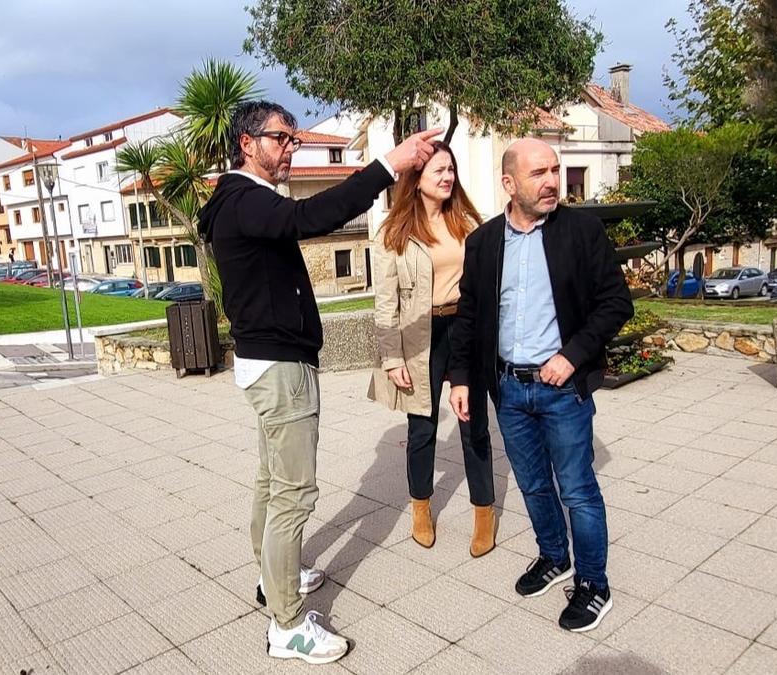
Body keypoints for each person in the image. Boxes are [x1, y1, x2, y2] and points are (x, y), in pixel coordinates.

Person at [198, 100, 440, 665]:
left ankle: (273, 576)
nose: (290, 149)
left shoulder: (236, 202)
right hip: (280, 370)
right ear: (247, 143)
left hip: (271, 363)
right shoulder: (243, 200)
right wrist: (389, 165)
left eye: (293, 139)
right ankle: (285, 626)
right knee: (293, 494)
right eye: (281, 139)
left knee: (272, 480)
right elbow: (311, 219)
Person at [448, 138, 632, 633]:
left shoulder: (582, 231)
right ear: (509, 183)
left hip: (562, 390)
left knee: (576, 489)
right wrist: (461, 377)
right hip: (509, 389)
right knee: (532, 484)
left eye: (555, 170)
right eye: (538, 173)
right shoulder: (483, 243)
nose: (552, 181)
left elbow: (616, 304)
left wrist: (572, 356)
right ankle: (554, 556)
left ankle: (594, 584)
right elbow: (469, 317)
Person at [367, 142, 496, 557]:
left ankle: (483, 512)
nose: (447, 177)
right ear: (415, 179)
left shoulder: (469, 224)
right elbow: (385, 302)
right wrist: (391, 357)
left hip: (465, 327)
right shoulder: (394, 232)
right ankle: (420, 508)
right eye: (438, 170)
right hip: (419, 334)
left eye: (451, 169)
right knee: (422, 429)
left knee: (472, 424)